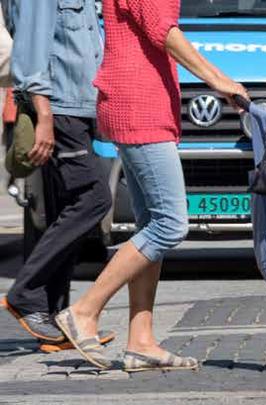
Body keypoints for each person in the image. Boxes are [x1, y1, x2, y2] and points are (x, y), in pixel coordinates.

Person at [54, 0, 247, 372]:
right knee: (170, 224)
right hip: (139, 104)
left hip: (137, 100)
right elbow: (163, 30)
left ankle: (141, 342)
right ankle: (84, 310)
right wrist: (218, 80)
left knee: (149, 226)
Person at [1, 0, 117, 352]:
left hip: (76, 106)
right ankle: (25, 295)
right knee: (94, 198)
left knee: (64, 207)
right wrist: (45, 118)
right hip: (58, 108)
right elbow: (31, 52)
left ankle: (53, 315)